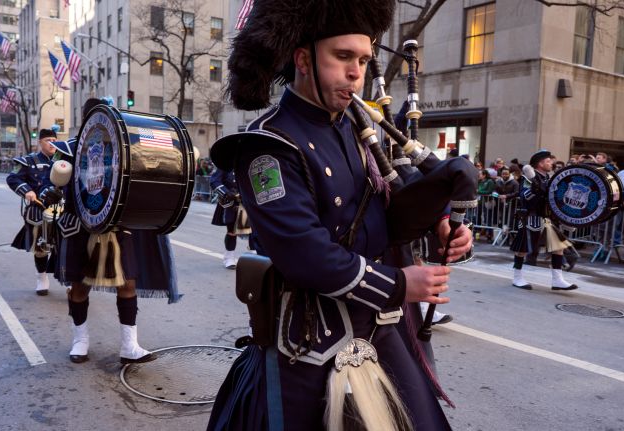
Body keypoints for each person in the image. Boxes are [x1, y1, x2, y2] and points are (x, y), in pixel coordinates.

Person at [206, 0, 473, 429]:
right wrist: (401, 283)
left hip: (378, 330)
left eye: (364, 60)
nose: (356, 72)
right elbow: (304, 253)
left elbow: (382, 216)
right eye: (343, 56)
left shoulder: (353, 126)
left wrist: (439, 222)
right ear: (303, 60)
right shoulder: (266, 147)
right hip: (311, 345)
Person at [46, 97, 181, 364]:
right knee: (79, 287)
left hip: (116, 226)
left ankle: (129, 346)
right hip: (81, 226)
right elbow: (53, 180)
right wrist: (49, 192)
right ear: (87, 118)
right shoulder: (69, 149)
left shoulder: (122, 146)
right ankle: (80, 341)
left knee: (127, 283)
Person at [510, 150, 577, 291]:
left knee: (558, 247)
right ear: (540, 164)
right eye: (548, 161)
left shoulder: (548, 178)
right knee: (522, 249)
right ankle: (517, 277)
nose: (551, 163)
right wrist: (536, 186)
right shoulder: (528, 178)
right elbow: (525, 197)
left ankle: (557, 280)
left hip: (546, 218)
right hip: (531, 217)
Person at [6, 128, 59, 296]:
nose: (52, 143)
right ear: (40, 143)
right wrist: (27, 191)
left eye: (54, 139)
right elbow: (12, 178)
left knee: (65, 246)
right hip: (39, 209)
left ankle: (68, 278)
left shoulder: (65, 159)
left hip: (64, 210)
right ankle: (41, 277)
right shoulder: (29, 161)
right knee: (40, 246)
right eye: (47, 140)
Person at [210, 167, 244, 268]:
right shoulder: (226, 165)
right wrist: (227, 193)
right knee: (232, 231)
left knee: (254, 231)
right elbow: (214, 181)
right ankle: (229, 258)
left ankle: (256, 255)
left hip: (249, 202)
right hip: (232, 202)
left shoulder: (250, 163)